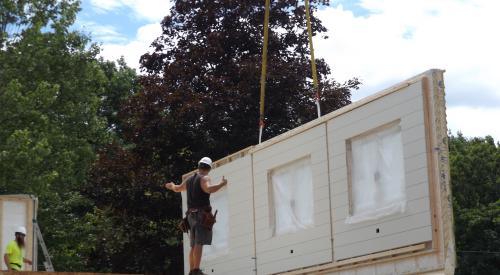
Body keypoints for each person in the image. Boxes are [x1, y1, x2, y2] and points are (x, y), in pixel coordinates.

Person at [165, 157, 227, 275]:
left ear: (199, 166)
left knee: (193, 245)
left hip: (190, 216)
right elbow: (208, 189)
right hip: (201, 215)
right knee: (199, 242)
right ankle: (196, 270)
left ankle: (192, 271)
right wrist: (221, 184)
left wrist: (172, 185)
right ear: (209, 168)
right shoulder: (204, 177)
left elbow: (177, 188)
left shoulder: (189, 180)